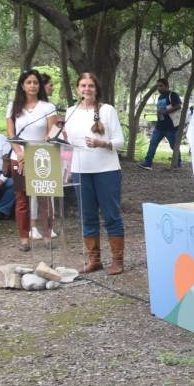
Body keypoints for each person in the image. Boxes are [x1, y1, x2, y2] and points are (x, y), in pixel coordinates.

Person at [62, 72, 126, 274]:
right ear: (77, 89)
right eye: (83, 85)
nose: (86, 89)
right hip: (81, 170)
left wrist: (102, 143)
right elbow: (69, 143)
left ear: (96, 89)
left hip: (106, 171)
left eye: (90, 85)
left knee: (111, 215)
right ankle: (94, 259)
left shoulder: (107, 110)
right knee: (87, 216)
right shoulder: (71, 112)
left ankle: (117, 260)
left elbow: (120, 142)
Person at [7, 69, 60, 251]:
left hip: (42, 158)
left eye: (35, 82)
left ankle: (46, 234)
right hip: (19, 158)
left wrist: (36, 152)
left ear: (39, 86)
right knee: (22, 200)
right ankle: (24, 237)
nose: (32, 86)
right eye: (28, 82)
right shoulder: (13, 106)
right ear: (22, 85)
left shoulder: (47, 107)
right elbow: (11, 134)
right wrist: (20, 153)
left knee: (45, 198)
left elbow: (51, 132)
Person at [139, 78, 182, 170]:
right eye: (157, 86)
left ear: (167, 86)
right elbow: (160, 109)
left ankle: (177, 164)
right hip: (159, 126)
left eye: (161, 86)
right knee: (153, 143)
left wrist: (166, 111)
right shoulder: (160, 97)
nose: (159, 88)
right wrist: (159, 113)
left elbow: (178, 106)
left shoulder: (173, 95)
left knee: (174, 145)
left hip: (171, 127)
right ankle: (148, 163)